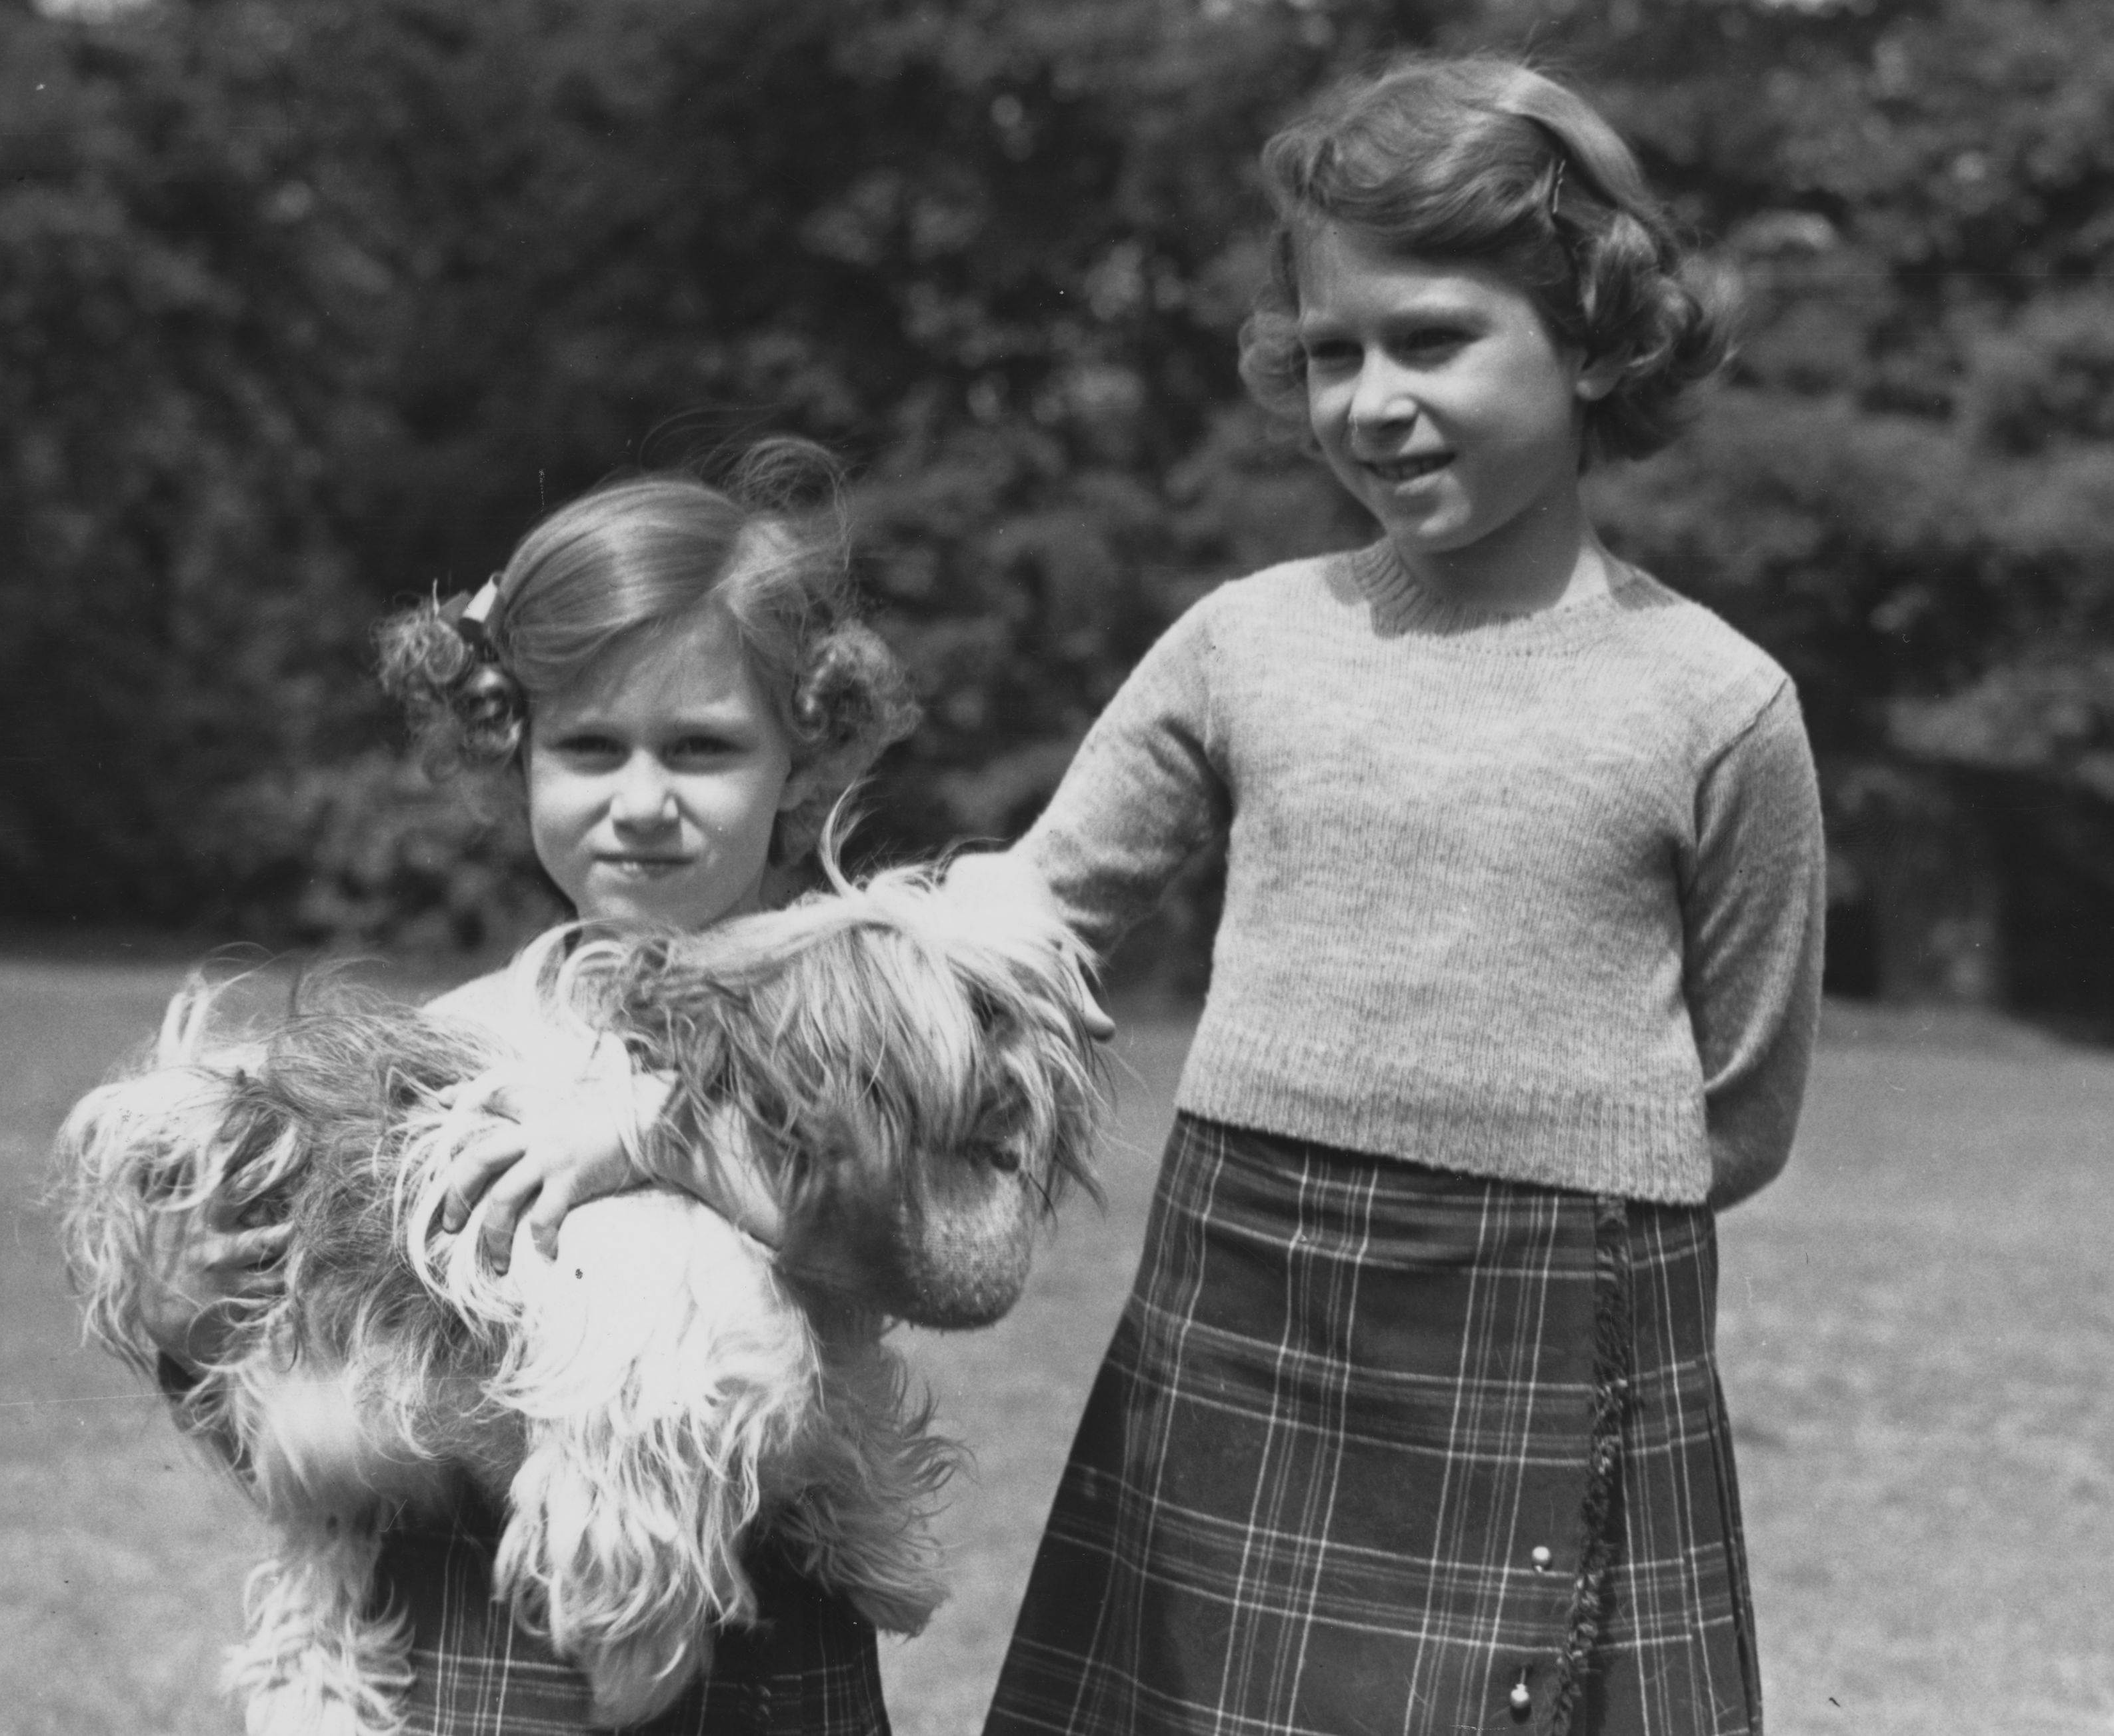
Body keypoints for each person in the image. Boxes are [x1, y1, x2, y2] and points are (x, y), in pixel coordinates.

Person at [965, 55, 1825, 1736]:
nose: (1372, 399)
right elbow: (1022, 924)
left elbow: (1745, 1097)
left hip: (1554, 1314)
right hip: (1243, 1297)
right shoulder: (1245, 642)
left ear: (1589, 339)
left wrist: (1550, 1188)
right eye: (1332, 353)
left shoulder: (1717, 701)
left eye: (1432, 340)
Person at [136, 438, 921, 1735]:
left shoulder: (831, 1026)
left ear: (808, 755)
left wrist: (664, 1147)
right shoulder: (456, 1046)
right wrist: (196, 1336)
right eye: (591, 746)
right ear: (514, 751)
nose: (642, 801)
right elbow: (306, 1430)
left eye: (703, 748)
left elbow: (919, 1257)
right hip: (466, 1674)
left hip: (757, 1679)